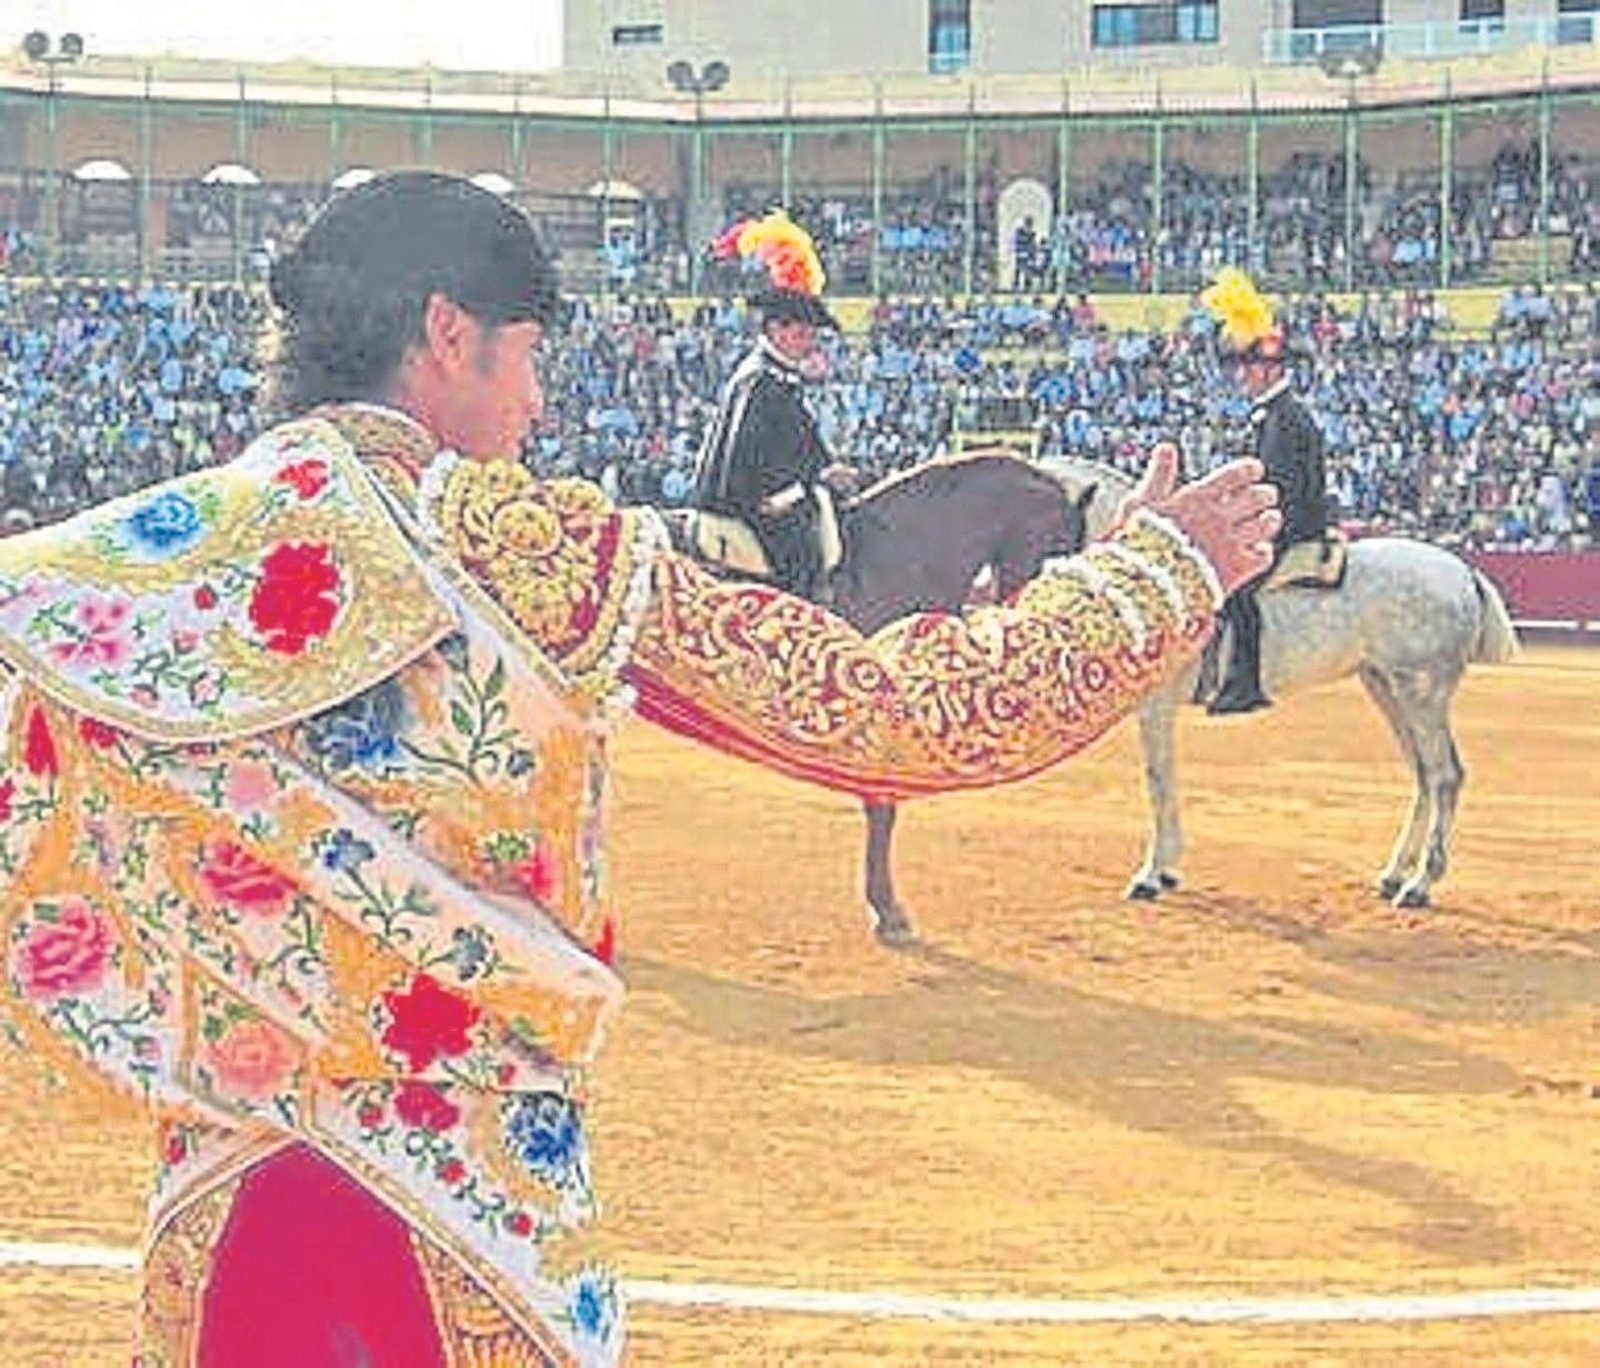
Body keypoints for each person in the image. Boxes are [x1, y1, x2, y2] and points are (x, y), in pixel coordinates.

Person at [0, 172, 1278, 1367]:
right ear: (450, 333)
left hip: (224, 1213)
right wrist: (1154, 572)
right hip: (464, 1207)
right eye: (534, 357)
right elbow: (889, 712)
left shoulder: (144, 559)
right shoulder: (521, 545)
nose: (542, 405)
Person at [691, 211, 849, 599]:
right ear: (776, 329)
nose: (810, 339)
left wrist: (828, 467)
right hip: (752, 503)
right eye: (802, 331)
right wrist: (809, 483)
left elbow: (801, 440)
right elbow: (754, 464)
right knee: (804, 556)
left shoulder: (777, 376)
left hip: (779, 491)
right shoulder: (760, 381)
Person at [1200, 266, 1328, 715]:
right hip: (1281, 516)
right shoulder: (1276, 414)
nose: (1242, 376)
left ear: (1267, 369)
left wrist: (1251, 521)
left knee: (1237, 585)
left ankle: (1247, 681)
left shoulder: (1283, 418)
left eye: (1248, 367)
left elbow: (1280, 486)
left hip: (1293, 523)